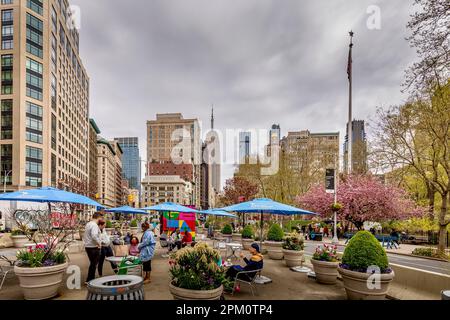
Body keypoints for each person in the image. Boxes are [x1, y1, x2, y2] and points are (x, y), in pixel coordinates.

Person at [84, 212, 103, 283]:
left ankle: (90, 279)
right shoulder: (94, 225)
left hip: (88, 246)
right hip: (93, 247)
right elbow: (94, 235)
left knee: (93, 264)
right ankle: (90, 280)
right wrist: (99, 243)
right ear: (98, 218)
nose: (101, 219)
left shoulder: (88, 224)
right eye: (101, 218)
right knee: (93, 264)